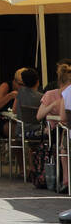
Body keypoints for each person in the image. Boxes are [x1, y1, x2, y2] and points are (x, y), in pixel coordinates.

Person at [38, 61, 71, 189]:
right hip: (54, 131)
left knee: (64, 147)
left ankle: (66, 180)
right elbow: (39, 116)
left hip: (64, 131)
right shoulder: (52, 94)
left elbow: (63, 119)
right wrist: (52, 105)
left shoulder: (66, 95)